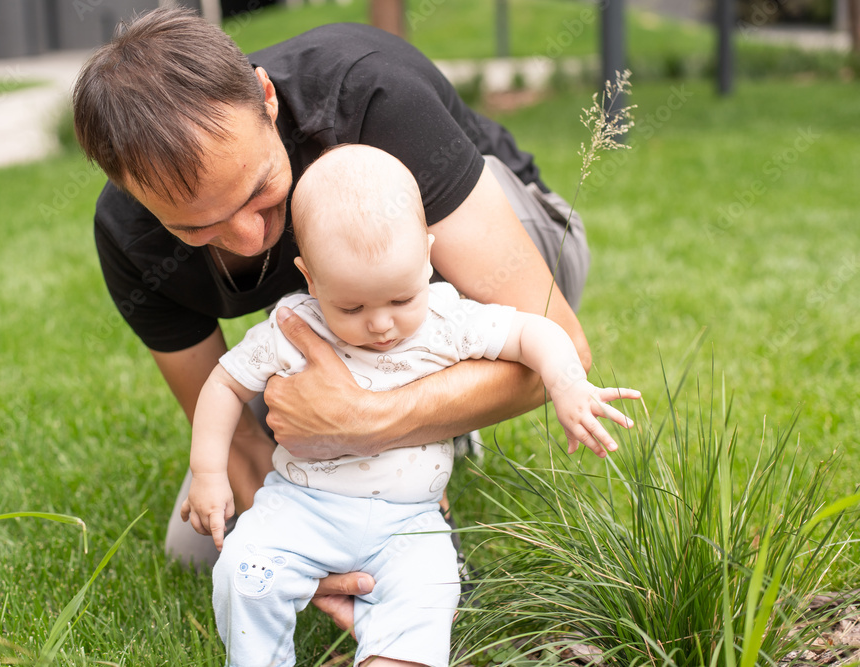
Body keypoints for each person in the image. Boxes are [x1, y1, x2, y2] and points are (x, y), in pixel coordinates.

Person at [72, 7, 594, 621]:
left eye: (257, 191)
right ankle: (435, 427)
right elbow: (235, 436)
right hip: (343, 322)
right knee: (197, 546)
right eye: (198, 226)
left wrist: (368, 420)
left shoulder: (368, 95)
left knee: (396, 310)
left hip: (509, 253)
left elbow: (564, 346)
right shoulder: (128, 236)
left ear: (266, 97)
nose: (245, 239)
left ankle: (440, 428)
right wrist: (311, 553)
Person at [179, 144, 640, 667]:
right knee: (245, 569)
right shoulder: (295, 325)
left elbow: (534, 332)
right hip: (302, 508)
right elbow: (223, 384)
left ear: (427, 256)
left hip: (410, 521)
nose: (380, 324)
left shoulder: (447, 319)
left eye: (401, 299)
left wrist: (568, 384)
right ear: (310, 278)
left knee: (429, 592)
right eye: (350, 306)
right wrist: (209, 471)